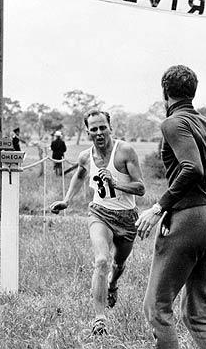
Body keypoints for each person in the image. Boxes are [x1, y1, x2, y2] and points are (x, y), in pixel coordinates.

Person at [136, 65, 206, 349]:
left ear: (165, 92)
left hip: (190, 219)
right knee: (198, 313)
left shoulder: (172, 123)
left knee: (157, 308)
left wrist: (159, 209)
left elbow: (193, 168)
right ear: (193, 92)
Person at [50, 110, 145, 335]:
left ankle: (112, 285)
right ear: (87, 132)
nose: (99, 132)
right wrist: (66, 200)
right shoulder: (86, 156)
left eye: (103, 127)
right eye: (94, 129)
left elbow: (140, 188)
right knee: (101, 260)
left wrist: (117, 184)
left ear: (110, 127)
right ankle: (99, 319)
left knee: (117, 264)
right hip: (99, 213)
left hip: (126, 217)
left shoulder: (125, 152)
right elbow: (81, 174)